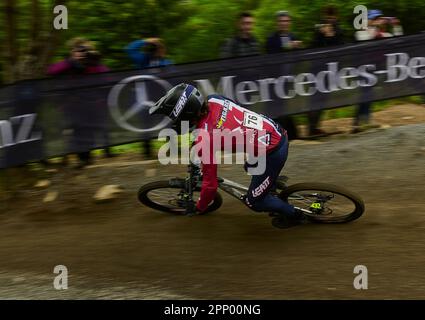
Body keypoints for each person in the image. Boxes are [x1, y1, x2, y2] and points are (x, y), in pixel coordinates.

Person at [149, 83, 306, 228]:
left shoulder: (206, 138)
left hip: (273, 152)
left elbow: (210, 186)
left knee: (254, 202)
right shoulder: (214, 99)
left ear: (185, 114)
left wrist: (199, 207)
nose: (174, 121)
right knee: (250, 166)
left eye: (174, 117)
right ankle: (270, 186)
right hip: (276, 131)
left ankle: (294, 215)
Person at [47, 37, 113, 168]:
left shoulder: (92, 64)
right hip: (71, 104)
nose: (83, 53)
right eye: (80, 50)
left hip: (91, 104)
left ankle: (86, 158)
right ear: (73, 51)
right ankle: (76, 158)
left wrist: (96, 62)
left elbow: (108, 76)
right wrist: (71, 62)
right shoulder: (67, 64)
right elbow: (51, 71)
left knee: (89, 131)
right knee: (76, 130)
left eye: (86, 50)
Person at [352, 10, 403, 133]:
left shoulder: (384, 34)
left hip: (375, 68)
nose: (378, 20)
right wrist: (373, 26)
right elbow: (365, 39)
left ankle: (360, 122)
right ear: (368, 20)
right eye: (375, 18)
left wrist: (396, 25)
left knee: (369, 94)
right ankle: (360, 122)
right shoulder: (361, 32)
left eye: (379, 18)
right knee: (365, 94)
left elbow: (399, 40)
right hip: (362, 68)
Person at [125, 37, 172, 159]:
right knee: (145, 124)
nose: (155, 51)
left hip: (162, 97)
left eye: (158, 48)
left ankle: (171, 148)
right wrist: (146, 41)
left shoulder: (166, 62)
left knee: (169, 122)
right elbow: (129, 49)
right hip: (145, 99)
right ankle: (147, 152)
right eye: (154, 48)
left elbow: (173, 76)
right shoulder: (142, 60)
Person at [308, 6, 345, 137]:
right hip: (317, 70)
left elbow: (341, 47)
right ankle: (311, 128)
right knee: (314, 98)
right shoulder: (319, 29)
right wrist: (321, 34)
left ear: (336, 17)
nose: (330, 20)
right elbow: (312, 46)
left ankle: (316, 126)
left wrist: (331, 36)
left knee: (324, 99)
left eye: (332, 17)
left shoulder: (339, 30)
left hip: (331, 70)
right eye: (328, 17)